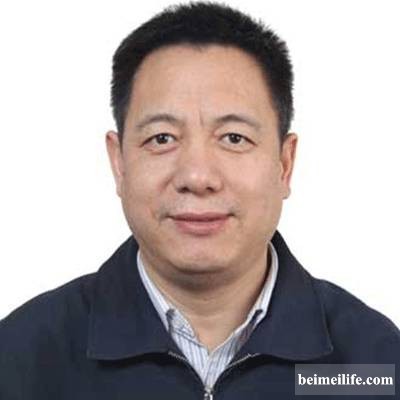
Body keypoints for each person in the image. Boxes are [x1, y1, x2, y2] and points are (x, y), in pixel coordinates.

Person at [0, 2, 399, 399]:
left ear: (284, 163)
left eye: (234, 138)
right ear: (119, 163)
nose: (197, 177)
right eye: (162, 138)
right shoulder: (22, 359)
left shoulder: (375, 362)